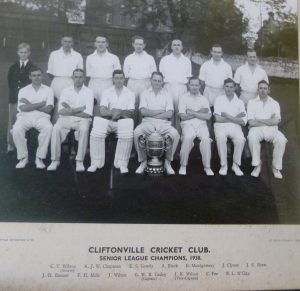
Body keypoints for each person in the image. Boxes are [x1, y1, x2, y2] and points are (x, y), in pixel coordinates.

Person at [87, 70, 135, 174]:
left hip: (122, 123)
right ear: (113, 79)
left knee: (128, 128)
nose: (119, 80)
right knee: (96, 128)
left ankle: (122, 164)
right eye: (116, 78)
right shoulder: (107, 92)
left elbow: (130, 113)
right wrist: (117, 112)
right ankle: (95, 163)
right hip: (108, 121)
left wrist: (117, 113)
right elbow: (102, 111)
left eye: (121, 78)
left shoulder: (130, 93)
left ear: (124, 79)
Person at [47, 69, 94, 172]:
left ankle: (79, 160)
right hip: (66, 118)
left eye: (80, 77)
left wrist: (70, 110)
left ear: (84, 79)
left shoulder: (89, 92)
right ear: (72, 78)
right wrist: (79, 109)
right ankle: (55, 160)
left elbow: (88, 113)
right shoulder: (65, 91)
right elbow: (61, 111)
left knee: (84, 129)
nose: (78, 79)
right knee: (56, 128)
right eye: (76, 77)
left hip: (83, 119)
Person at [134, 72, 180, 175]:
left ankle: (168, 162)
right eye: (155, 80)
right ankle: (143, 162)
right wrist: (160, 111)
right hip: (147, 123)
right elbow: (143, 112)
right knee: (137, 132)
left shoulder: (167, 94)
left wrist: (151, 113)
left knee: (175, 134)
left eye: (159, 81)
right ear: (151, 80)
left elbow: (169, 114)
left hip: (164, 124)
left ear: (163, 82)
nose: (157, 83)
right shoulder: (145, 93)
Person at [12, 67, 53, 169]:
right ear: (30, 77)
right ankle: (23, 157)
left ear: (42, 76)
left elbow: (48, 109)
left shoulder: (48, 90)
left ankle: (39, 157)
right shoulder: (23, 90)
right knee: (16, 129)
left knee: (48, 128)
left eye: (39, 75)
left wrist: (30, 104)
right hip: (25, 117)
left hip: (42, 117)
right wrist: (41, 104)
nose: (36, 77)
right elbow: (23, 108)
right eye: (34, 75)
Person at [247, 80, 287, 179]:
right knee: (252, 137)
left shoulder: (274, 103)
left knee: (282, 140)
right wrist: (269, 119)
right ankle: (257, 165)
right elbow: (251, 122)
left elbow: (276, 121)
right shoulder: (251, 102)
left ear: (269, 90)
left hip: (272, 129)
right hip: (256, 129)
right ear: (257, 90)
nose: (262, 91)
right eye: (260, 88)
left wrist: (259, 119)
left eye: (265, 88)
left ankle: (276, 167)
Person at [178, 77, 214, 176]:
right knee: (188, 137)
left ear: (200, 86)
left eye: (196, 85)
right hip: (187, 124)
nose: (194, 87)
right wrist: (200, 113)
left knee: (206, 139)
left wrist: (192, 112)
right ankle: (183, 165)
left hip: (201, 125)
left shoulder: (204, 98)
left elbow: (208, 116)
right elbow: (182, 117)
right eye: (192, 85)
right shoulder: (183, 98)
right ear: (188, 85)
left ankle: (207, 167)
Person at [214, 78, 247, 176]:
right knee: (220, 138)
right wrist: (235, 117)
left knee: (241, 139)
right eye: (227, 86)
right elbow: (217, 119)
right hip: (220, 126)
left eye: (231, 87)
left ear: (235, 88)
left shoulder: (240, 102)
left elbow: (243, 122)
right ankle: (224, 165)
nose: (229, 89)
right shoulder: (219, 99)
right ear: (224, 87)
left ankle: (235, 165)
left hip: (235, 127)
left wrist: (227, 116)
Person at [47, 36, 83, 122]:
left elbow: (80, 71)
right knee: (55, 103)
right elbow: (50, 72)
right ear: (61, 42)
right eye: (65, 41)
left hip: (71, 82)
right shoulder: (54, 54)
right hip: (57, 82)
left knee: (69, 104)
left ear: (72, 43)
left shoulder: (77, 55)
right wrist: (59, 79)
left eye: (69, 42)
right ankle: (54, 125)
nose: (67, 44)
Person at [7, 42, 35, 153]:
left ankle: (25, 143)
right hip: (14, 98)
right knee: (12, 121)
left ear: (29, 53)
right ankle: (11, 144)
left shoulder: (32, 67)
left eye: (25, 52)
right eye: (21, 52)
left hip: (27, 100)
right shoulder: (13, 67)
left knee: (25, 121)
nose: (23, 54)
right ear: (18, 53)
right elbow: (10, 82)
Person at [159, 39, 192, 132]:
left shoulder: (186, 61)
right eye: (174, 45)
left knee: (180, 112)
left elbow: (189, 78)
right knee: (168, 111)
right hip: (168, 87)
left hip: (182, 88)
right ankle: (167, 133)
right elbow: (161, 77)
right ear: (171, 47)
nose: (176, 47)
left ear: (182, 47)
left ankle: (179, 134)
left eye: (178, 45)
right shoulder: (164, 60)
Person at [123, 35, 157, 125]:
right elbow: (125, 74)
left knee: (145, 105)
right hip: (132, 83)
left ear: (144, 45)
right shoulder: (129, 58)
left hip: (145, 83)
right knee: (132, 105)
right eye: (136, 44)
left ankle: (142, 129)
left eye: (141, 44)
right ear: (133, 45)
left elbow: (154, 74)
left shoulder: (150, 58)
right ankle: (131, 127)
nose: (138, 46)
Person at [86, 36, 121, 114]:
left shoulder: (114, 58)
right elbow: (89, 74)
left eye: (103, 42)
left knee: (106, 106)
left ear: (107, 44)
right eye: (98, 42)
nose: (100, 44)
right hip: (93, 83)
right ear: (95, 44)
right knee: (92, 105)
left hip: (108, 84)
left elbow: (118, 75)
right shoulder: (90, 58)